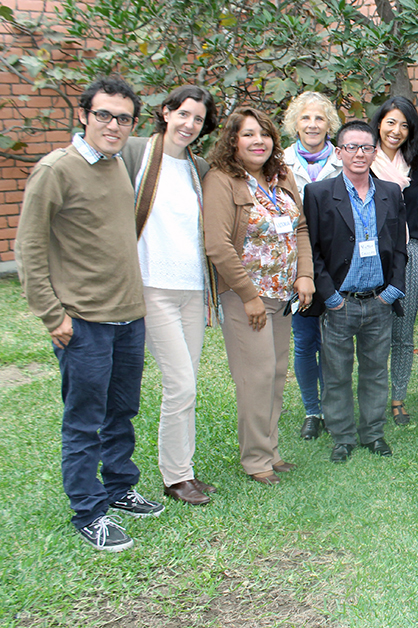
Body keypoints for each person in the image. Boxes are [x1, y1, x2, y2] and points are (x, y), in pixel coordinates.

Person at [16, 76, 164, 551]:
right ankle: (88, 509)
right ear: (83, 115)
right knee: (84, 419)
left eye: (123, 118)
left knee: (122, 410)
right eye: (103, 114)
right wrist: (52, 316)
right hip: (83, 321)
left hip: (128, 315)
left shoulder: (118, 164)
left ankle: (119, 488)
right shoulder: (55, 169)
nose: (113, 125)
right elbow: (29, 249)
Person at [203, 108, 315, 486]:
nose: (258, 141)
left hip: (283, 297)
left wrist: (304, 273)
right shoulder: (222, 180)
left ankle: (271, 450)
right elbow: (217, 245)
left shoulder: (279, 176)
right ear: (233, 140)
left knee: (275, 375)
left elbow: (299, 227)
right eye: (248, 134)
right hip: (245, 298)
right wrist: (248, 295)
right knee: (256, 376)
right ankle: (255, 460)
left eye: (264, 134)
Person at [123, 85, 219, 506]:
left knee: (188, 383)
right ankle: (175, 476)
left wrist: (211, 295)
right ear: (165, 113)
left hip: (192, 291)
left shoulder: (198, 168)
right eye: (183, 114)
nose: (189, 124)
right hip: (153, 287)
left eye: (197, 119)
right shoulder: (135, 155)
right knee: (179, 384)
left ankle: (185, 471)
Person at [303, 120, 408, 463]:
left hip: (378, 300)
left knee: (376, 371)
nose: (359, 154)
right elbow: (313, 249)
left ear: (375, 152)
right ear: (339, 152)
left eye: (366, 147)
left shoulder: (390, 192)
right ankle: (342, 437)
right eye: (351, 147)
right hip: (339, 302)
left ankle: (373, 434)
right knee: (336, 374)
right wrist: (329, 296)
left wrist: (392, 291)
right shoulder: (319, 194)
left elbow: (399, 246)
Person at [282, 91, 342, 441]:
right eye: (305, 118)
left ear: (329, 123)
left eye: (319, 118)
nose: (312, 124)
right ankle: (312, 410)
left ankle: (336, 405)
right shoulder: (281, 161)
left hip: (336, 262)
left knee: (334, 340)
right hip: (298, 261)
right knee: (305, 341)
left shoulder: (344, 157)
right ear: (295, 124)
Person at [369, 97, 418, 426]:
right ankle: (373, 395)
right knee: (374, 328)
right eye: (391, 122)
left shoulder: (415, 162)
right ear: (379, 123)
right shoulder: (363, 158)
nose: (397, 130)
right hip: (371, 252)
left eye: (404, 125)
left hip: (411, 249)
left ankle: (398, 397)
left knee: (404, 329)